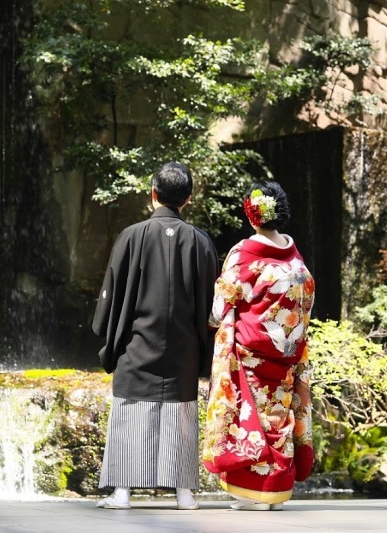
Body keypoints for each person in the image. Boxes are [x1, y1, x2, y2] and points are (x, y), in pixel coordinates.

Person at [91, 161, 219, 510]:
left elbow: (112, 295)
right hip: (185, 349)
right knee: (181, 413)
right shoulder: (201, 242)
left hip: (137, 344)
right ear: (188, 199)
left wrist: (109, 335)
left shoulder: (132, 236)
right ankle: (184, 493)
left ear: (153, 194)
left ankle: (122, 493)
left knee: (132, 410)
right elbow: (212, 303)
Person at [202, 180, 315, 511]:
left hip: (250, 353)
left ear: (252, 216)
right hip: (286, 353)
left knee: (249, 419)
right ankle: (277, 489)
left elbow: (219, 307)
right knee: (279, 418)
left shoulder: (245, 253)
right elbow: (306, 302)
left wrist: (212, 324)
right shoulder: (295, 257)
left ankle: (253, 492)